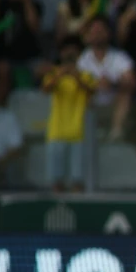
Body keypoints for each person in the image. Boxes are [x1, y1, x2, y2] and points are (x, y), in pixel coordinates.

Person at [42, 36, 96, 192]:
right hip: (56, 132)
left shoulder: (86, 75)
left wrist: (75, 76)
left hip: (78, 133)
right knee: (56, 181)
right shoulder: (54, 74)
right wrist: (60, 74)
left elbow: (92, 91)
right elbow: (45, 89)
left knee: (77, 181)